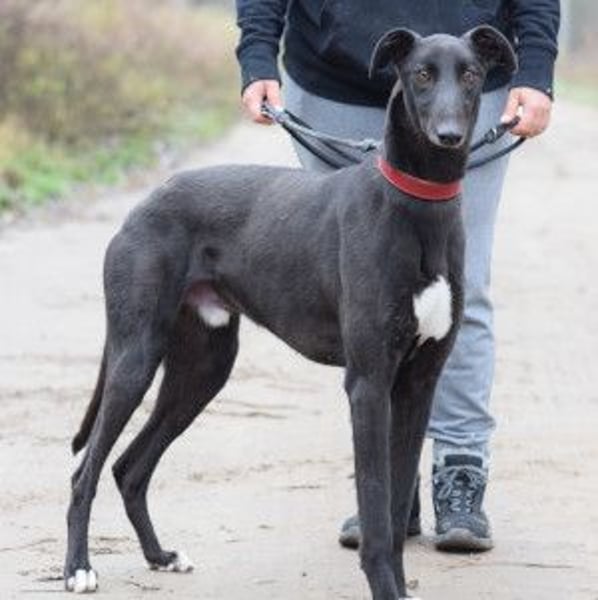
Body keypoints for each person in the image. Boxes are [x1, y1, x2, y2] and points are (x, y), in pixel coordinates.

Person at [235, 0, 560, 552]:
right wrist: (257, 51)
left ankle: (460, 470)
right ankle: (389, 491)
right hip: (334, 82)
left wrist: (535, 67)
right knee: (366, 300)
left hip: (469, 82)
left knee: (459, 287)